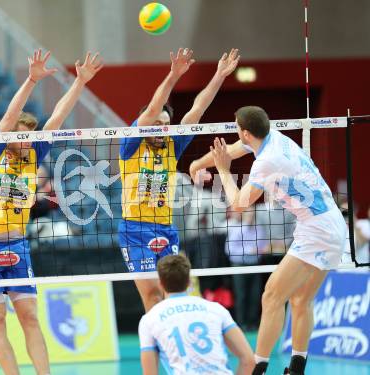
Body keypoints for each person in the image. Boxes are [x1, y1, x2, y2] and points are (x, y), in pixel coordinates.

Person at [0, 49, 103, 375]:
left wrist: (80, 83)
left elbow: (56, 117)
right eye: (22, 136)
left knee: (30, 316)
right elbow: (7, 118)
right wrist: (31, 79)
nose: (28, 141)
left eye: (31, 136)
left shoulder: (33, 154)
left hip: (17, 245)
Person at [204, 106, 347, 375]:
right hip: (331, 223)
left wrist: (223, 170)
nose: (237, 134)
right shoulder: (275, 137)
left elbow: (239, 204)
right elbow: (236, 147)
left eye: (237, 129)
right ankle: (296, 369)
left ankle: (256, 368)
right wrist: (199, 164)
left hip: (316, 229)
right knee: (301, 300)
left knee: (271, 296)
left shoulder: (266, 161)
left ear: (246, 132)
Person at [119, 48, 240, 312]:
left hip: (165, 228)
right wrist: (173, 75)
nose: (162, 127)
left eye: (167, 123)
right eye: (157, 123)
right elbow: (152, 109)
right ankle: (155, 346)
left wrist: (219, 75)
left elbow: (197, 110)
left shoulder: (171, 146)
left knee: (176, 296)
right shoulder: (130, 146)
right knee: (152, 297)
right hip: (135, 231)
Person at [138, 254, 255, 375]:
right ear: (189, 281)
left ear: (161, 283)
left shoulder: (149, 319)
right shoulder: (216, 309)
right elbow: (249, 360)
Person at [225, 207, 268, 330]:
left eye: (252, 213)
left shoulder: (259, 229)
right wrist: (250, 251)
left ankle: (253, 323)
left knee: (255, 295)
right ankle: (241, 324)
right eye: (248, 214)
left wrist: (261, 250)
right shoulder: (236, 229)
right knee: (241, 295)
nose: (251, 216)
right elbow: (229, 250)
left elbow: (263, 245)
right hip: (239, 266)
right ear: (243, 215)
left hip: (255, 266)